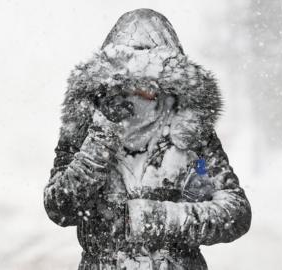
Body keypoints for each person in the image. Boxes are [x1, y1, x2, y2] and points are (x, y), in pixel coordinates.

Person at [43, 8, 251, 270]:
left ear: (167, 82)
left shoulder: (190, 132)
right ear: (110, 79)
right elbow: (60, 208)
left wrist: (153, 219)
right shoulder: (87, 128)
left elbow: (235, 213)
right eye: (128, 80)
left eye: (148, 81)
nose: (137, 91)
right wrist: (100, 140)